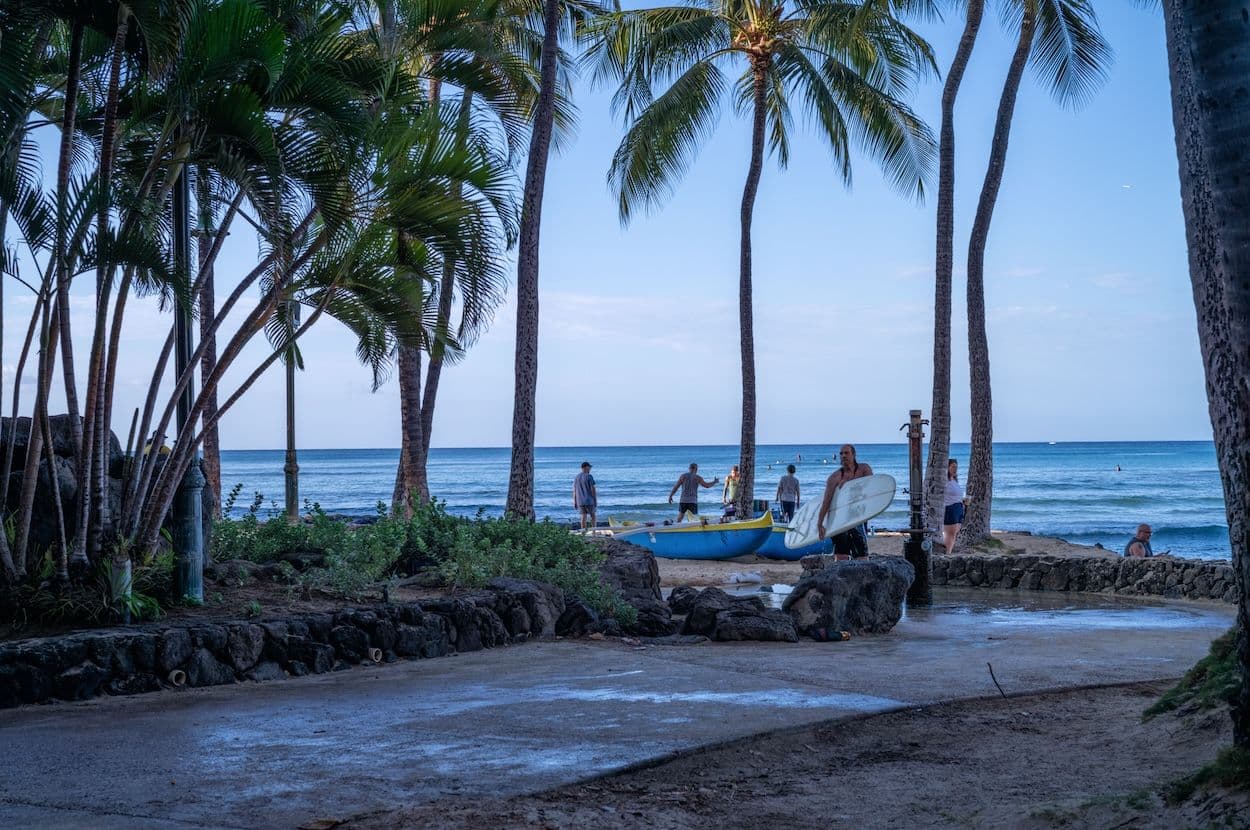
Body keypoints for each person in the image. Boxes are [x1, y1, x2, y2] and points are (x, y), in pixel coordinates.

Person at [816, 444, 873, 558]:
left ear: (854, 454)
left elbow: (871, 490)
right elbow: (826, 501)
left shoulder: (864, 469)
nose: (843, 456)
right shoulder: (835, 477)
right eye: (841, 453)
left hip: (858, 518)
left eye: (846, 453)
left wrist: (850, 487)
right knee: (842, 557)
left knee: (862, 555)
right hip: (839, 520)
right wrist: (820, 523)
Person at [942, 458, 965, 555]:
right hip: (950, 508)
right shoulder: (944, 481)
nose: (955, 469)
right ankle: (948, 553)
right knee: (949, 533)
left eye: (956, 467)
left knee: (954, 532)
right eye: (953, 467)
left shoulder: (954, 480)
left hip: (958, 508)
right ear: (947, 468)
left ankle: (949, 552)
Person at [573, 461, 597, 532]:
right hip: (589, 500)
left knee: (583, 516)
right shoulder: (589, 476)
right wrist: (595, 500)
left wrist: (575, 501)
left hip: (580, 500)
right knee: (593, 516)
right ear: (586, 467)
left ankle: (583, 533)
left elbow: (574, 490)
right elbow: (593, 489)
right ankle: (594, 531)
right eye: (589, 467)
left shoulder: (577, 477)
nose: (590, 469)